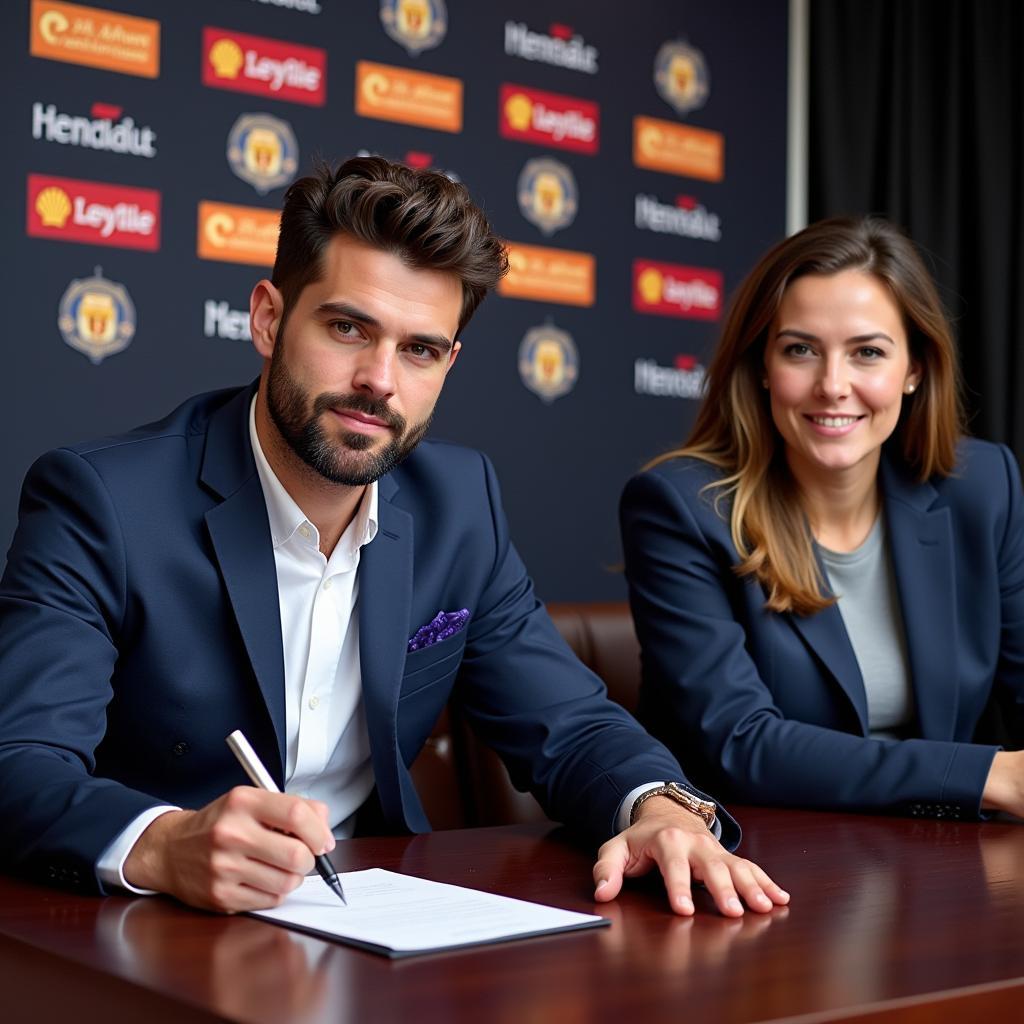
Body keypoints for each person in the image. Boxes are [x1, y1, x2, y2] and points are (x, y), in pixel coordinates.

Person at [0, 156, 787, 917]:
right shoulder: (104, 500)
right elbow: (20, 762)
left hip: (376, 921)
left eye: (420, 350)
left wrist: (661, 812)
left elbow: (571, 726)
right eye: (348, 328)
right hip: (154, 931)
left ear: (449, 361)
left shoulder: (459, 505)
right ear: (269, 319)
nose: (381, 380)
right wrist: (163, 845)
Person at [621, 216, 1024, 819]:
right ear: (762, 365)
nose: (833, 385)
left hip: (946, 858)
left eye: (868, 352)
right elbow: (737, 743)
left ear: (914, 368)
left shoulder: (983, 486)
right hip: (763, 862)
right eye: (801, 350)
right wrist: (984, 774)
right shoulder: (681, 505)